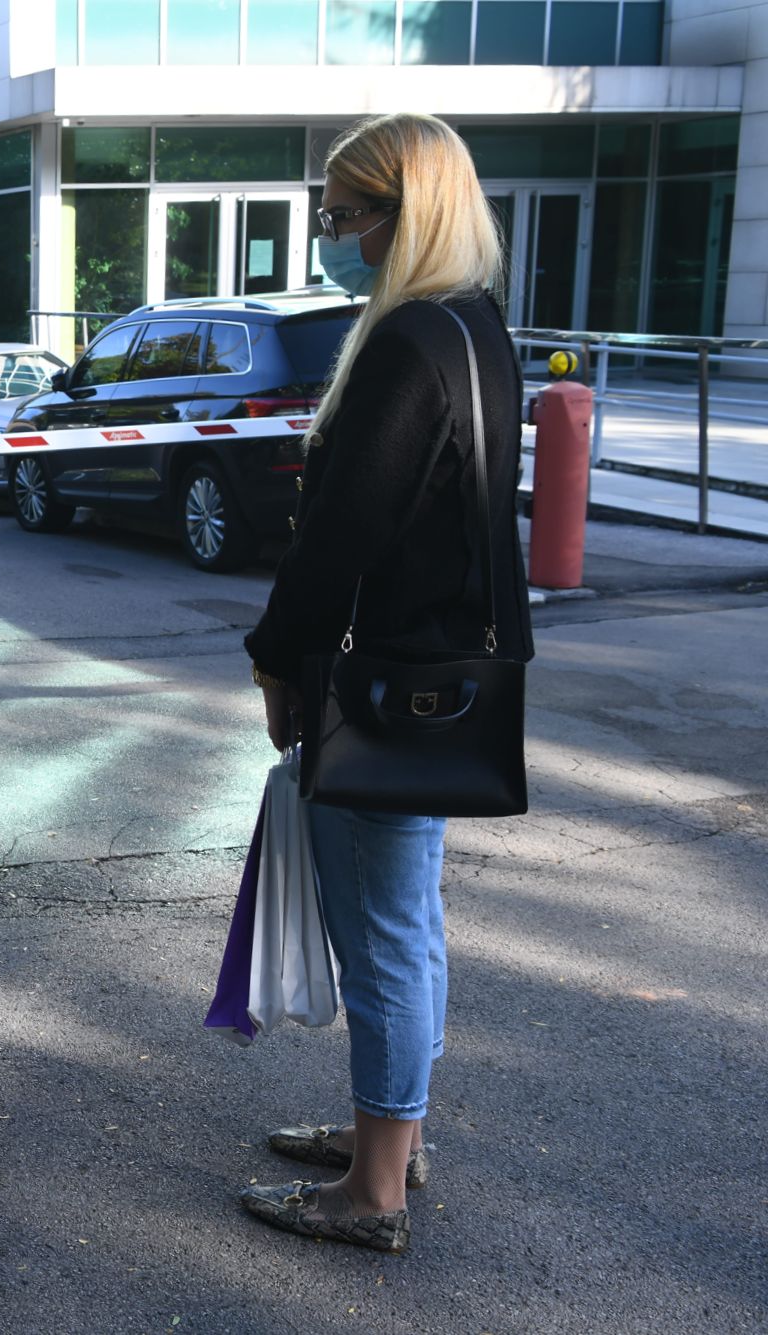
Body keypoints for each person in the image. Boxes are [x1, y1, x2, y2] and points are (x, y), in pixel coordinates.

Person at [239, 113, 535, 1254]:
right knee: (406, 923)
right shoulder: (476, 328)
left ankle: (372, 1192)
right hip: (441, 673)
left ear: (398, 216)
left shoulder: (408, 344)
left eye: (341, 215)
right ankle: (389, 1143)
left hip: (380, 683)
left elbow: (339, 540)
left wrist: (276, 660)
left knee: (384, 932)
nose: (329, 235)